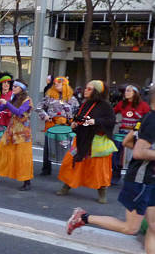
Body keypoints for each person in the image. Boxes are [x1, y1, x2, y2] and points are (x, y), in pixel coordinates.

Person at [66, 85, 155, 254]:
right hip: (141, 180)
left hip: (151, 179)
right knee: (131, 228)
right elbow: (137, 151)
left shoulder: (146, 117)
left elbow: (128, 142)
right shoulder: (151, 120)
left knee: (154, 227)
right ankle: (83, 217)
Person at [57, 80, 115, 204]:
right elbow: (79, 117)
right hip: (82, 139)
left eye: (89, 89)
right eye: (86, 88)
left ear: (96, 92)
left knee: (98, 168)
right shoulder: (85, 104)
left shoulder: (105, 106)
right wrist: (74, 123)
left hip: (96, 141)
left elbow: (111, 121)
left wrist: (96, 121)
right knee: (72, 161)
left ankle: (102, 190)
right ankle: (67, 185)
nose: (85, 90)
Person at [0, 79, 33, 191]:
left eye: (15, 87)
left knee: (22, 157)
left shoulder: (27, 100)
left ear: (21, 89)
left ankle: (27, 181)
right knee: (1, 151)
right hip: (11, 130)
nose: (13, 88)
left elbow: (19, 112)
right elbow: (0, 109)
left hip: (22, 133)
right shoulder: (13, 98)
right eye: (13, 86)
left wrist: (6, 103)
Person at [35, 77, 79, 175]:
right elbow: (38, 107)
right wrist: (45, 116)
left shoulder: (72, 98)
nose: (56, 85)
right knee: (48, 147)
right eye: (55, 84)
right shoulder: (49, 96)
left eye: (59, 84)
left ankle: (68, 168)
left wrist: (73, 120)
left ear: (65, 85)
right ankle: (46, 168)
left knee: (68, 147)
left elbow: (77, 111)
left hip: (66, 126)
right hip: (51, 124)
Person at [112, 84, 150, 184]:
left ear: (135, 93)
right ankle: (115, 177)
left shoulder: (143, 105)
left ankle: (131, 177)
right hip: (122, 132)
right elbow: (112, 112)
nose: (126, 93)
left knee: (131, 156)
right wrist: (113, 120)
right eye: (125, 91)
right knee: (116, 154)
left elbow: (148, 118)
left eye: (129, 91)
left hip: (135, 134)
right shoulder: (121, 104)